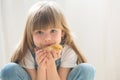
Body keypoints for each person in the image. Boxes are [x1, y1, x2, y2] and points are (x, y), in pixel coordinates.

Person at [0, 0, 95, 80]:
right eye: (39, 32)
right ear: (31, 34)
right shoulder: (27, 52)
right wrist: (41, 67)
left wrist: (50, 65)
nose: (47, 38)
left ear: (62, 32)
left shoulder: (67, 51)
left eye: (53, 31)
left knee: (87, 69)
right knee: (9, 70)